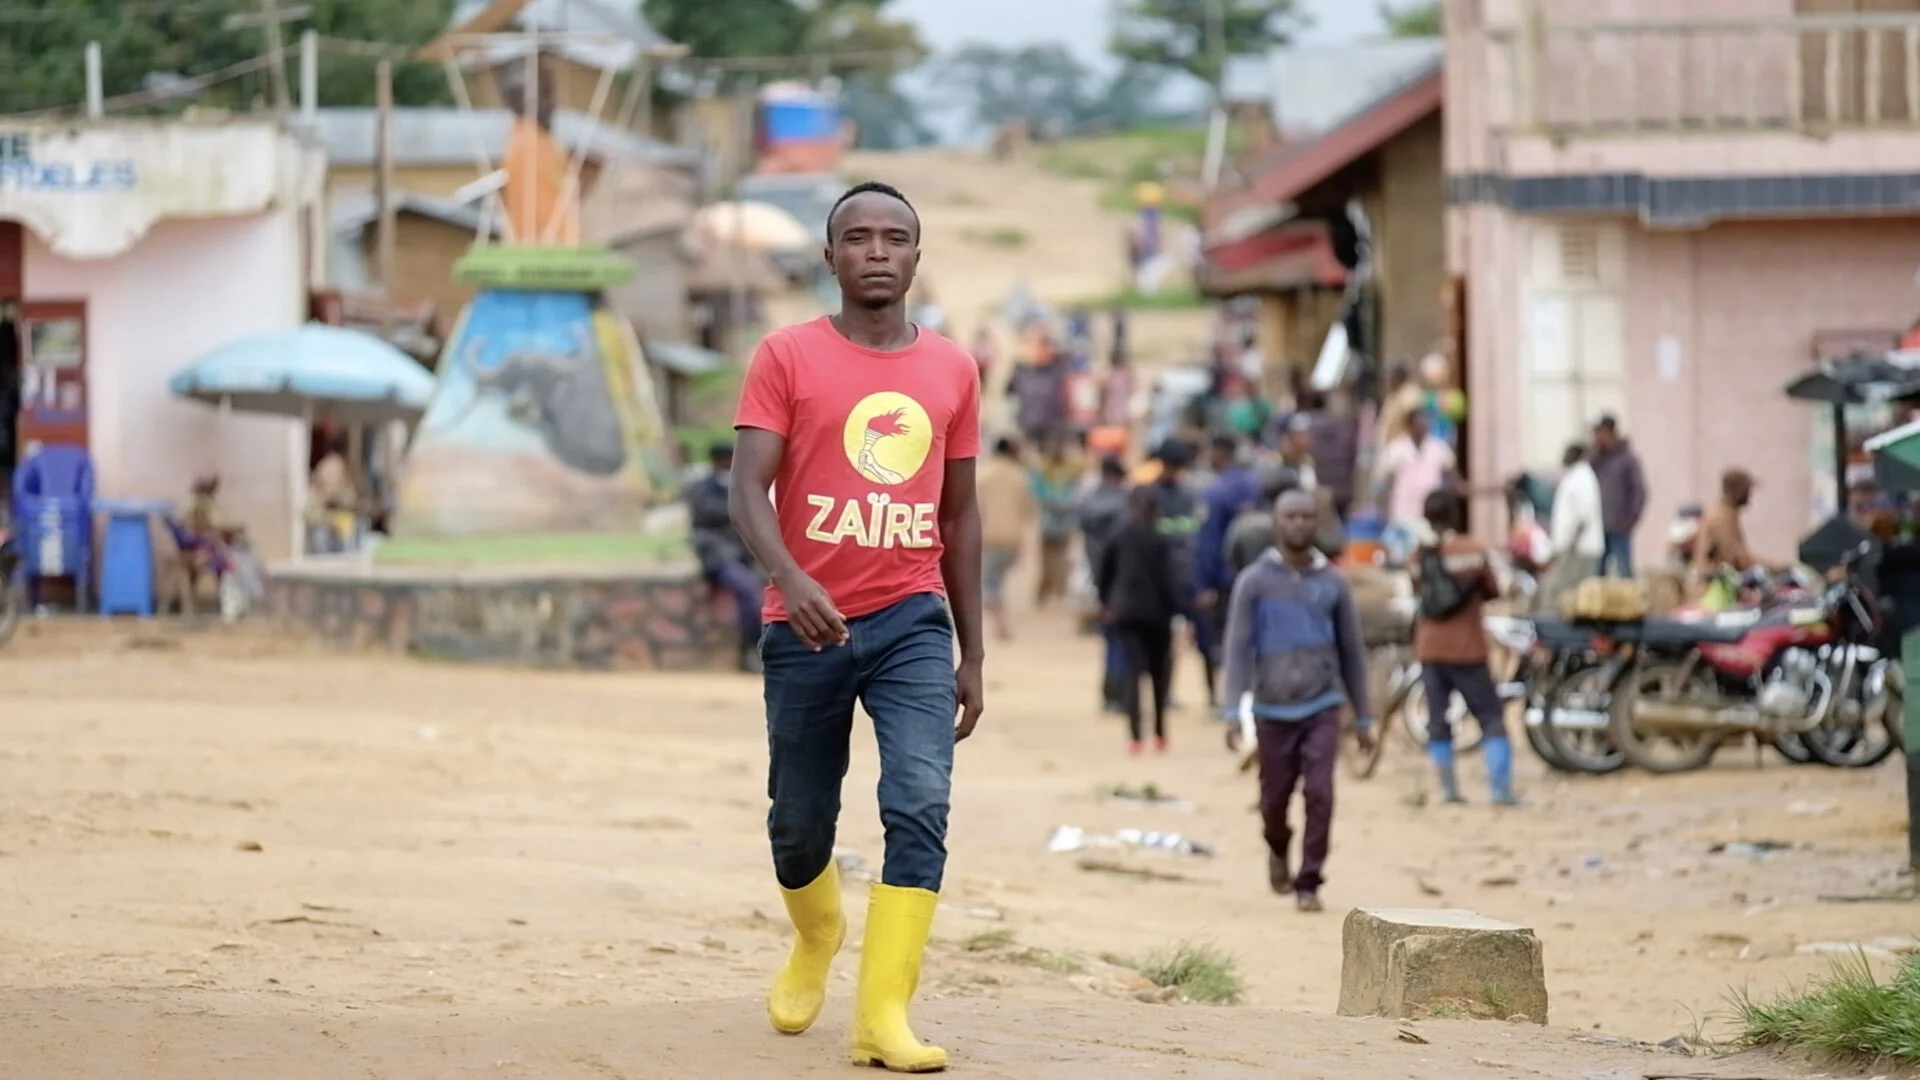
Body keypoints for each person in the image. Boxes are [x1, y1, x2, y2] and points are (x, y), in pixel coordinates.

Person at [728, 181, 983, 1073]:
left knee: (920, 802)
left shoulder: (954, 368)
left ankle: (882, 1016)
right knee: (799, 823)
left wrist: (972, 652)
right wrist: (790, 578)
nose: (878, 251)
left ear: (918, 256)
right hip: (807, 626)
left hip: (914, 618)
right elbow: (744, 489)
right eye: (858, 237)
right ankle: (815, 935)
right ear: (829, 257)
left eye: (896, 237)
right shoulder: (786, 356)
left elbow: (961, 517)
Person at [1220, 489, 1372, 912]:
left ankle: (1309, 881)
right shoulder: (1254, 582)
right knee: (1273, 800)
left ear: (1317, 524)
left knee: (1321, 793)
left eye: (1307, 517)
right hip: (1271, 707)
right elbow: (1237, 648)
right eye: (1291, 517)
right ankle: (1277, 845)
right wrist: (1233, 710)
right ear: (1277, 523)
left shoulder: (1334, 584)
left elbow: (1352, 653)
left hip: (1322, 704)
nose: (1299, 524)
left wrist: (1363, 717)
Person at [1412, 489, 1520, 806]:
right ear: (1456, 514)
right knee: (1490, 716)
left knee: (1437, 718)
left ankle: (1448, 790)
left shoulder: (1421, 552)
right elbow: (1492, 589)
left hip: (1430, 647)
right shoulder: (1472, 550)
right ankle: (1500, 791)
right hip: (1468, 648)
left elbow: (1417, 590)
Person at [1095, 486, 1180, 754]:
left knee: (1133, 675)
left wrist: (1107, 602)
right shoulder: (1161, 538)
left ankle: (1135, 737)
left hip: (1126, 612)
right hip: (1158, 615)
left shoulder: (1119, 534)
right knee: (1158, 676)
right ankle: (1159, 733)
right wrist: (1178, 610)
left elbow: (1103, 571)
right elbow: (1171, 578)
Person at [687, 442, 764, 673]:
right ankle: (749, 651)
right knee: (748, 590)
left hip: (742, 556)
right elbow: (711, 514)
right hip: (718, 557)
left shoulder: (734, 487)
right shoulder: (704, 489)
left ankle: (753, 649)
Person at [1151, 439, 1213, 706]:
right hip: (1161, 582)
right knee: (1164, 643)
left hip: (1190, 579)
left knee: (1206, 642)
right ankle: (1164, 694)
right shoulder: (1150, 496)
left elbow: (1200, 541)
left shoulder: (1192, 496)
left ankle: (1213, 697)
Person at [1078, 455, 1133, 712]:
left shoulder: (1089, 501)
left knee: (1112, 638)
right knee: (1123, 638)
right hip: (1123, 579)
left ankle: (1111, 694)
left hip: (1101, 576)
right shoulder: (1124, 504)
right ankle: (1119, 694)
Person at [978, 435, 1037, 642]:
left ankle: (1001, 622)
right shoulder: (1020, 476)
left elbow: (975, 508)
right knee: (996, 582)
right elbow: (1028, 511)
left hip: (988, 537)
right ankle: (1002, 622)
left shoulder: (983, 474)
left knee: (988, 585)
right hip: (1011, 538)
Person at [1377, 410, 1457, 562]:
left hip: (1430, 520)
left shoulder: (1438, 448)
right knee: (1403, 560)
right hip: (1403, 517)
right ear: (1410, 425)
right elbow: (1384, 486)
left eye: (1426, 422)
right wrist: (1385, 515)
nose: (1423, 426)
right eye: (1419, 422)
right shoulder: (1395, 449)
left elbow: (1454, 479)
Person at [1542, 442, 1604, 609]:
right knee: (1569, 593)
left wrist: (1571, 544)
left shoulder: (1582, 477)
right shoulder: (1574, 476)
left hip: (1579, 549)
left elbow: (1583, 516)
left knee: (1566, 592)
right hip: (1573, 547)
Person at [1590, 415, 1647, 578]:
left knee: (1624, 572)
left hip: (1619, 527)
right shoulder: (1597, 459)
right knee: (1598, 575)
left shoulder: (1627, 459)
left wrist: (1629, 521)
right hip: (1599, 527)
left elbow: (1639, 492)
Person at [1031, 435, 1080, 606]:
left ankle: (1059, 591)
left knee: (1062, 556)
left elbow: (1076, 489)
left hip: (1064, 518)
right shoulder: (1043, 468)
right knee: (1048, 558)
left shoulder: (1072, 468)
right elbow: (1038, 491)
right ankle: (1046, 590)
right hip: (1050, 517)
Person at [1690, 468, 1761, 581]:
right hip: (1712, 588)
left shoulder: (1728, 514)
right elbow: (1738, 558)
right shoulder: (1722, 518)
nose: (1749, 495)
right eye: (1747, 490)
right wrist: (1779, 568)